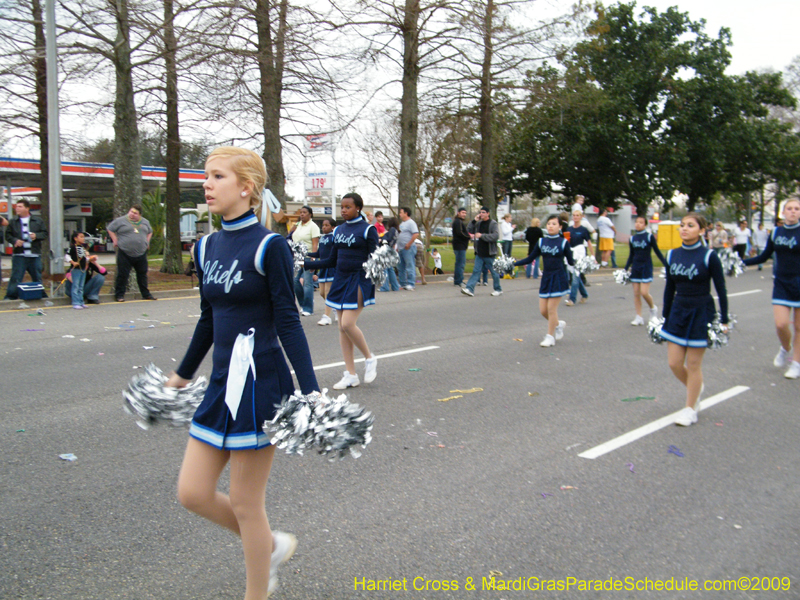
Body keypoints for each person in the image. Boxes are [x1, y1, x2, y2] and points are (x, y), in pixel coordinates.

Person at [164, 146, 320, 600]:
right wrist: (182, 374)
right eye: (206, 177)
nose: (206, 184)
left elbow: (288, 321)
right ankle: (268, 547)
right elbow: (208, 318)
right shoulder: (206, 245)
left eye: (216, 177)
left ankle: (257, 587)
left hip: (261, 386)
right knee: (192, 492)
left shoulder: (270, 246)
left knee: (249, 505)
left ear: (246, 188)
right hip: (219, 386)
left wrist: (310, 394)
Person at [304, 192, 380, 389]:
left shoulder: (368, 230)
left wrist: (374, 277)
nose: (344, 210)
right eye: (342, 207)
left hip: (360, 280)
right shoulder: (338, 231)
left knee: (347, 323)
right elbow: (331, 260)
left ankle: (370, 358)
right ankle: (351, 374)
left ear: (358, 208)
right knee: (341, 328)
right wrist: (307, 263)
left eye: (348, 207)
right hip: (340, 279)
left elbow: (377, 260)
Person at [660, 213, 729, 426]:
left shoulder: (709, 256)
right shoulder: (672, 255)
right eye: (682, 225)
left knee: (693, 363)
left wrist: (724, 319)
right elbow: (669, 287)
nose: (684, 229)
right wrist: (666, 315)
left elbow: (720, 288)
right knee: (674, 363)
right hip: (678, 310)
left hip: (701, 311)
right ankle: (696, 387)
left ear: (701, 230)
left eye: (690, 225)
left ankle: (690, 408)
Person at [744, 198, 800, 379]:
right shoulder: (776, 232)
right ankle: (785, 348)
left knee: (799, 327)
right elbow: (764, 257)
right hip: (782, 284)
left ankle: (796, 364)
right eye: (789, 208)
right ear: (783, 213)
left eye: (797, 209)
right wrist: (741, 262)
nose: (793, 211)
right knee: (781, 324)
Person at [514, 214, 574, 346]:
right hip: (546, 278)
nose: (551, 226)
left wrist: (580, 264)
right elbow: (530, 259)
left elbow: (571, 261)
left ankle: (549, 337)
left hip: (558, 277)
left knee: (552, 309)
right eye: (549, 224)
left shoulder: (563, 242)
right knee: (543, 311)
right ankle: (558, 325)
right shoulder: (542, 241)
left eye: (554, 224)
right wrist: (512, 264)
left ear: (560, 226)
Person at [107, 204, 156, 302]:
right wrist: (115, 240)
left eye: (135, 213)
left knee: (142, 274)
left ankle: (145, 294)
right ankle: (119, 295)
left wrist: (147, 241)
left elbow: (150, 231)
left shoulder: (145, 222)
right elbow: (110, 228)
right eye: (131, 212)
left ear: (140, 215)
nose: (132, 214)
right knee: (123, 274)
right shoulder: (120, 221)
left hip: (141, 252)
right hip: (125, 252)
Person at [624, 215, 666, 325]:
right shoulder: (632, 238)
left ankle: (653, 309)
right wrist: (625, 268)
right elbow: (631, 255)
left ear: (645, 225)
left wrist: (666, 264)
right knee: (636, 293)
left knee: (644, 292)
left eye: (641, 222)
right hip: (636, 267)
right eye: (637, 222)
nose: (638, 224)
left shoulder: (649, 237)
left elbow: (657, 251)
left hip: (646, 267)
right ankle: (639, 317)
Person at [4, 199, 48, 300]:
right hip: (19, 254)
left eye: (20, 206)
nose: (17, 208)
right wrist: (15, 240)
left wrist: (36, 236)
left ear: (27, 208)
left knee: (37, 276)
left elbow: (45, 234)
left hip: (34, 254)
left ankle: (41, 295)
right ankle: (11, 296)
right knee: (16, 277)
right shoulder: (13, 221)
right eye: (16, 206)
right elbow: (8, 235)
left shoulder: (38, 221)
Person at [461, 207, 502, 297]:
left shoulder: (493, 223)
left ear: (488, 213)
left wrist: (482, 236)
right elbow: (468, 230)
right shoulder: (478, 223)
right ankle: (469, 289)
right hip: (479, 252)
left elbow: (495, 236)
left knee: (494, 272)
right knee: (476, 271)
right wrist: (474, 221)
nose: (481, 214)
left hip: (489, 252)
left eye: (483, 212)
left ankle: (498, 289)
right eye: (480, 212)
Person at [288, 205, 320, 316]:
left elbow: (315, 243)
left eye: (304, 212)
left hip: (308, 256)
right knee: (296, 281)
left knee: (307, 282)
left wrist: (314, 258)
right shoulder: (298, 225)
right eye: (301, 212)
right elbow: (290, 237)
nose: (302, 214)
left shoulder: (313, 226)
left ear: (310, 214)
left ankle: (308, 308)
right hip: (297, 257)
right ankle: (303, 304)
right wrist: (293, 228)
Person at [307, 218, 336, 325]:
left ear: (332, 227)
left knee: (328, 292)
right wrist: (306, 253)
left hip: (331, 267)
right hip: (323, 267)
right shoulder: (322, 238)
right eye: (323, 225)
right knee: (322, 293)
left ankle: (326, 316)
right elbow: (319, 254)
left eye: (327, 225)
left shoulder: (334, 238)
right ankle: (335, 308)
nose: (324, 227)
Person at [565, 210, 593, 306]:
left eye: (577, 215)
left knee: (575, 276)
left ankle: (571, 299)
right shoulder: (569, 229)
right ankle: (584, 294)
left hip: (580, 253)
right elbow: (566, 242)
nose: (575, 217)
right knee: (575, 275)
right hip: (572, 252)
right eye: (574, 215)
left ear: (581, 217)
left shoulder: (583, 230)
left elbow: (589, 243)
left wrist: (593, 256)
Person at [396, 207, 419, 291]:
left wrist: (409, 243)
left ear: (406, 213)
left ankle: (411, 283)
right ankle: (402, 283)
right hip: (401, 248)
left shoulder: (411, 223)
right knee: (400, 267)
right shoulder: (402, 223)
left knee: (410, 265)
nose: (400, 214)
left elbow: (416, 234)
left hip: (408, 248)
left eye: (401, 212)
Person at [378, 217, 400, 292]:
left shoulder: (392, 230)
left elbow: (387, 239)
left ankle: (385, 287)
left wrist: (381, 240)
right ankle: (395, 286)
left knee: (384, 269)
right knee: (390, 269)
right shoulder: (396, 231)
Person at [451, 207, 470, 287]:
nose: (464, 215)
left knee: (459, 263)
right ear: (458, 213)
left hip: (460, 245)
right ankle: (459, 281)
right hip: (459, 246)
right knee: (460, 264)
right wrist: (468, 236)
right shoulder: (458, 222)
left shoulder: (459, 222)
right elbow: (460, 233)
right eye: (462, 213)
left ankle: (457, 280)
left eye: (465, 213)